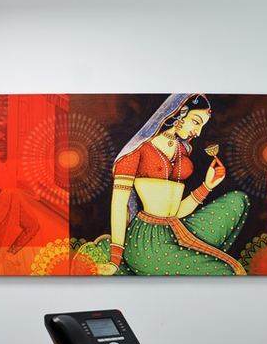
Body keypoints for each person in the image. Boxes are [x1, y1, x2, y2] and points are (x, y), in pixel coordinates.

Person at [96, 94, 250, 276]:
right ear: (180, 112)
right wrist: (115, 259)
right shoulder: (138, 151)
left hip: (175, 227)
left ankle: (190, 259)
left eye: (202, 126)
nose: (198, 132)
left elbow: (176, 212)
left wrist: (207, 186)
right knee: (227, 272)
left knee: (238, 200)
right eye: (196, 122)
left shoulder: (181, 150)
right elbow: (119, 205)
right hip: (147, 240)